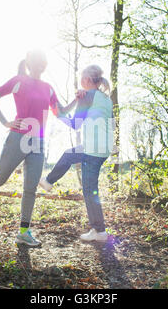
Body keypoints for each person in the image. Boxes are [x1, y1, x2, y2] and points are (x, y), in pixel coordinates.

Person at [0, 50, 78, 247]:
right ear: (29, 63)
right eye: (36, 62)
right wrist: (5, 122)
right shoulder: (18, 80)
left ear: (45, 65)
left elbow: (60, 112)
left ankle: (23, 232)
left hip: (38, 141)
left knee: (30, 188)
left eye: (42, 62)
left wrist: (77, 100)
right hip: (18, 137)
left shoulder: (48, 88)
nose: (40, 65)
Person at [39, 65, 114, 242]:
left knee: (89, 190)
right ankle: (49, 181)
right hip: (101, 148)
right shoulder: (106, 98)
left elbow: (75, 124)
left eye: (82, 77)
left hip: (92, 150)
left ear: (87, 79)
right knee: (69, 154)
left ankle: (99, 231)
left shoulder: (88, 95)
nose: (80, 80)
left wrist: (59, 116)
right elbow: (110, 124)